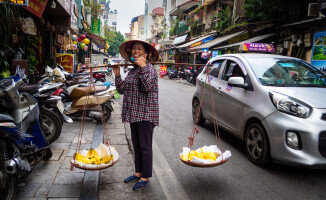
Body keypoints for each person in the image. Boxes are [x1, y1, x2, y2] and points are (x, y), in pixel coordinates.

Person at [112, 40, 159, 191]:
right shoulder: (132, 70)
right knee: (136, 145)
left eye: (139, 49)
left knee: (145, 147)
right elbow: (122, 90)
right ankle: (138, 172)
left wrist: (143, 65)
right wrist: (118, 75)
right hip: (133, 113)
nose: (135, 51)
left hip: (145, 114)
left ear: (146, 54)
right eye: (133, 49)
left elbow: (147, 87)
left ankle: (145, 176)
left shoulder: (149, 69)